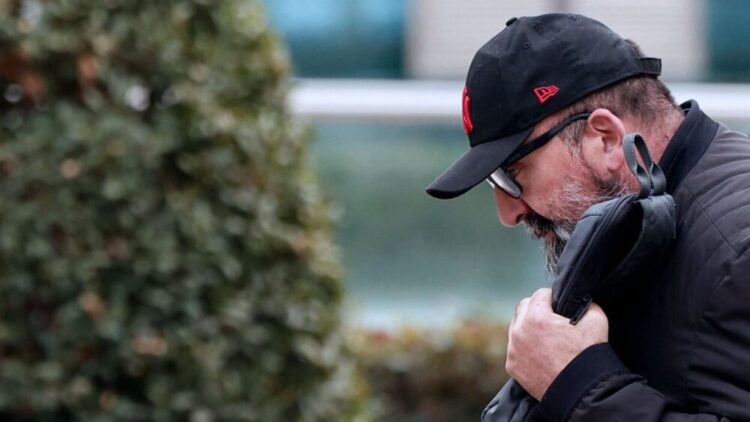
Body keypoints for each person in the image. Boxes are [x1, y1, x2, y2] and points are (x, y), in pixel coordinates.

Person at [426, 13, 750, 421]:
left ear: (605, 138)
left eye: (514, 173)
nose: (508, 213)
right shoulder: (639, 227)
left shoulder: (738, 251)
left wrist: (579, 383)